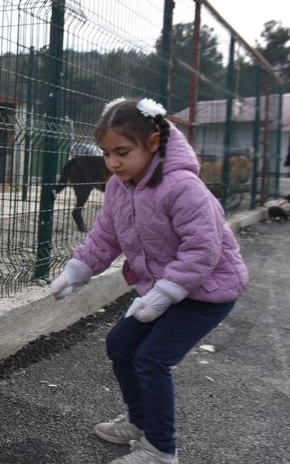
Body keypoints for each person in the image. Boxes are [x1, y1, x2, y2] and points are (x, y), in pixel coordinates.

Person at [49, 97, 248, 464]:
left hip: (208, 291)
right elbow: (105, 237)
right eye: (106, 153)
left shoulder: (183, 187)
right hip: (163, 289)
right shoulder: (118, 188)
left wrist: (166, 292)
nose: (112, 163)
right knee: (121, 345)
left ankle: (160, 449)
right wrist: (78, 269)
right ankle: (140, 420)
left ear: (153, 143)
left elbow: (204, 249)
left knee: (152, 359)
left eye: (122, 152)